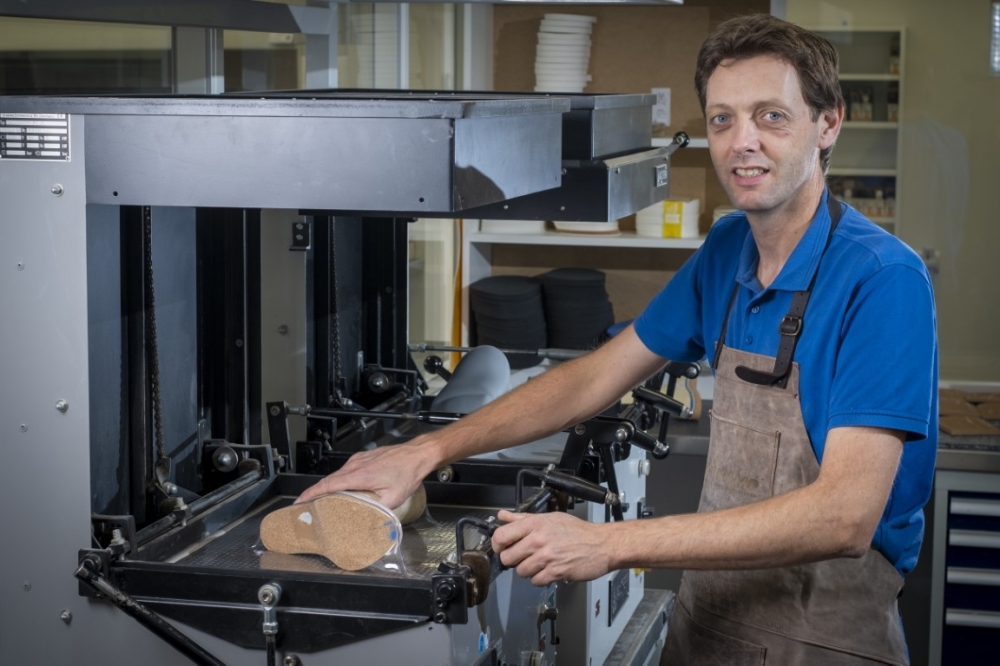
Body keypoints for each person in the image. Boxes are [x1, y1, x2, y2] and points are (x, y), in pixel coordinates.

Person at [298, 14, 937, 665]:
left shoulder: (883, 280)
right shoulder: (727, 249)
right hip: (706, 628)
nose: (742, 142)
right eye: (722, 119)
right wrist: (425, 450)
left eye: (771, 116)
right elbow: (594, 377)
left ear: (828, 123)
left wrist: (609, 545)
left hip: (821, 641)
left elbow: (844, 517)